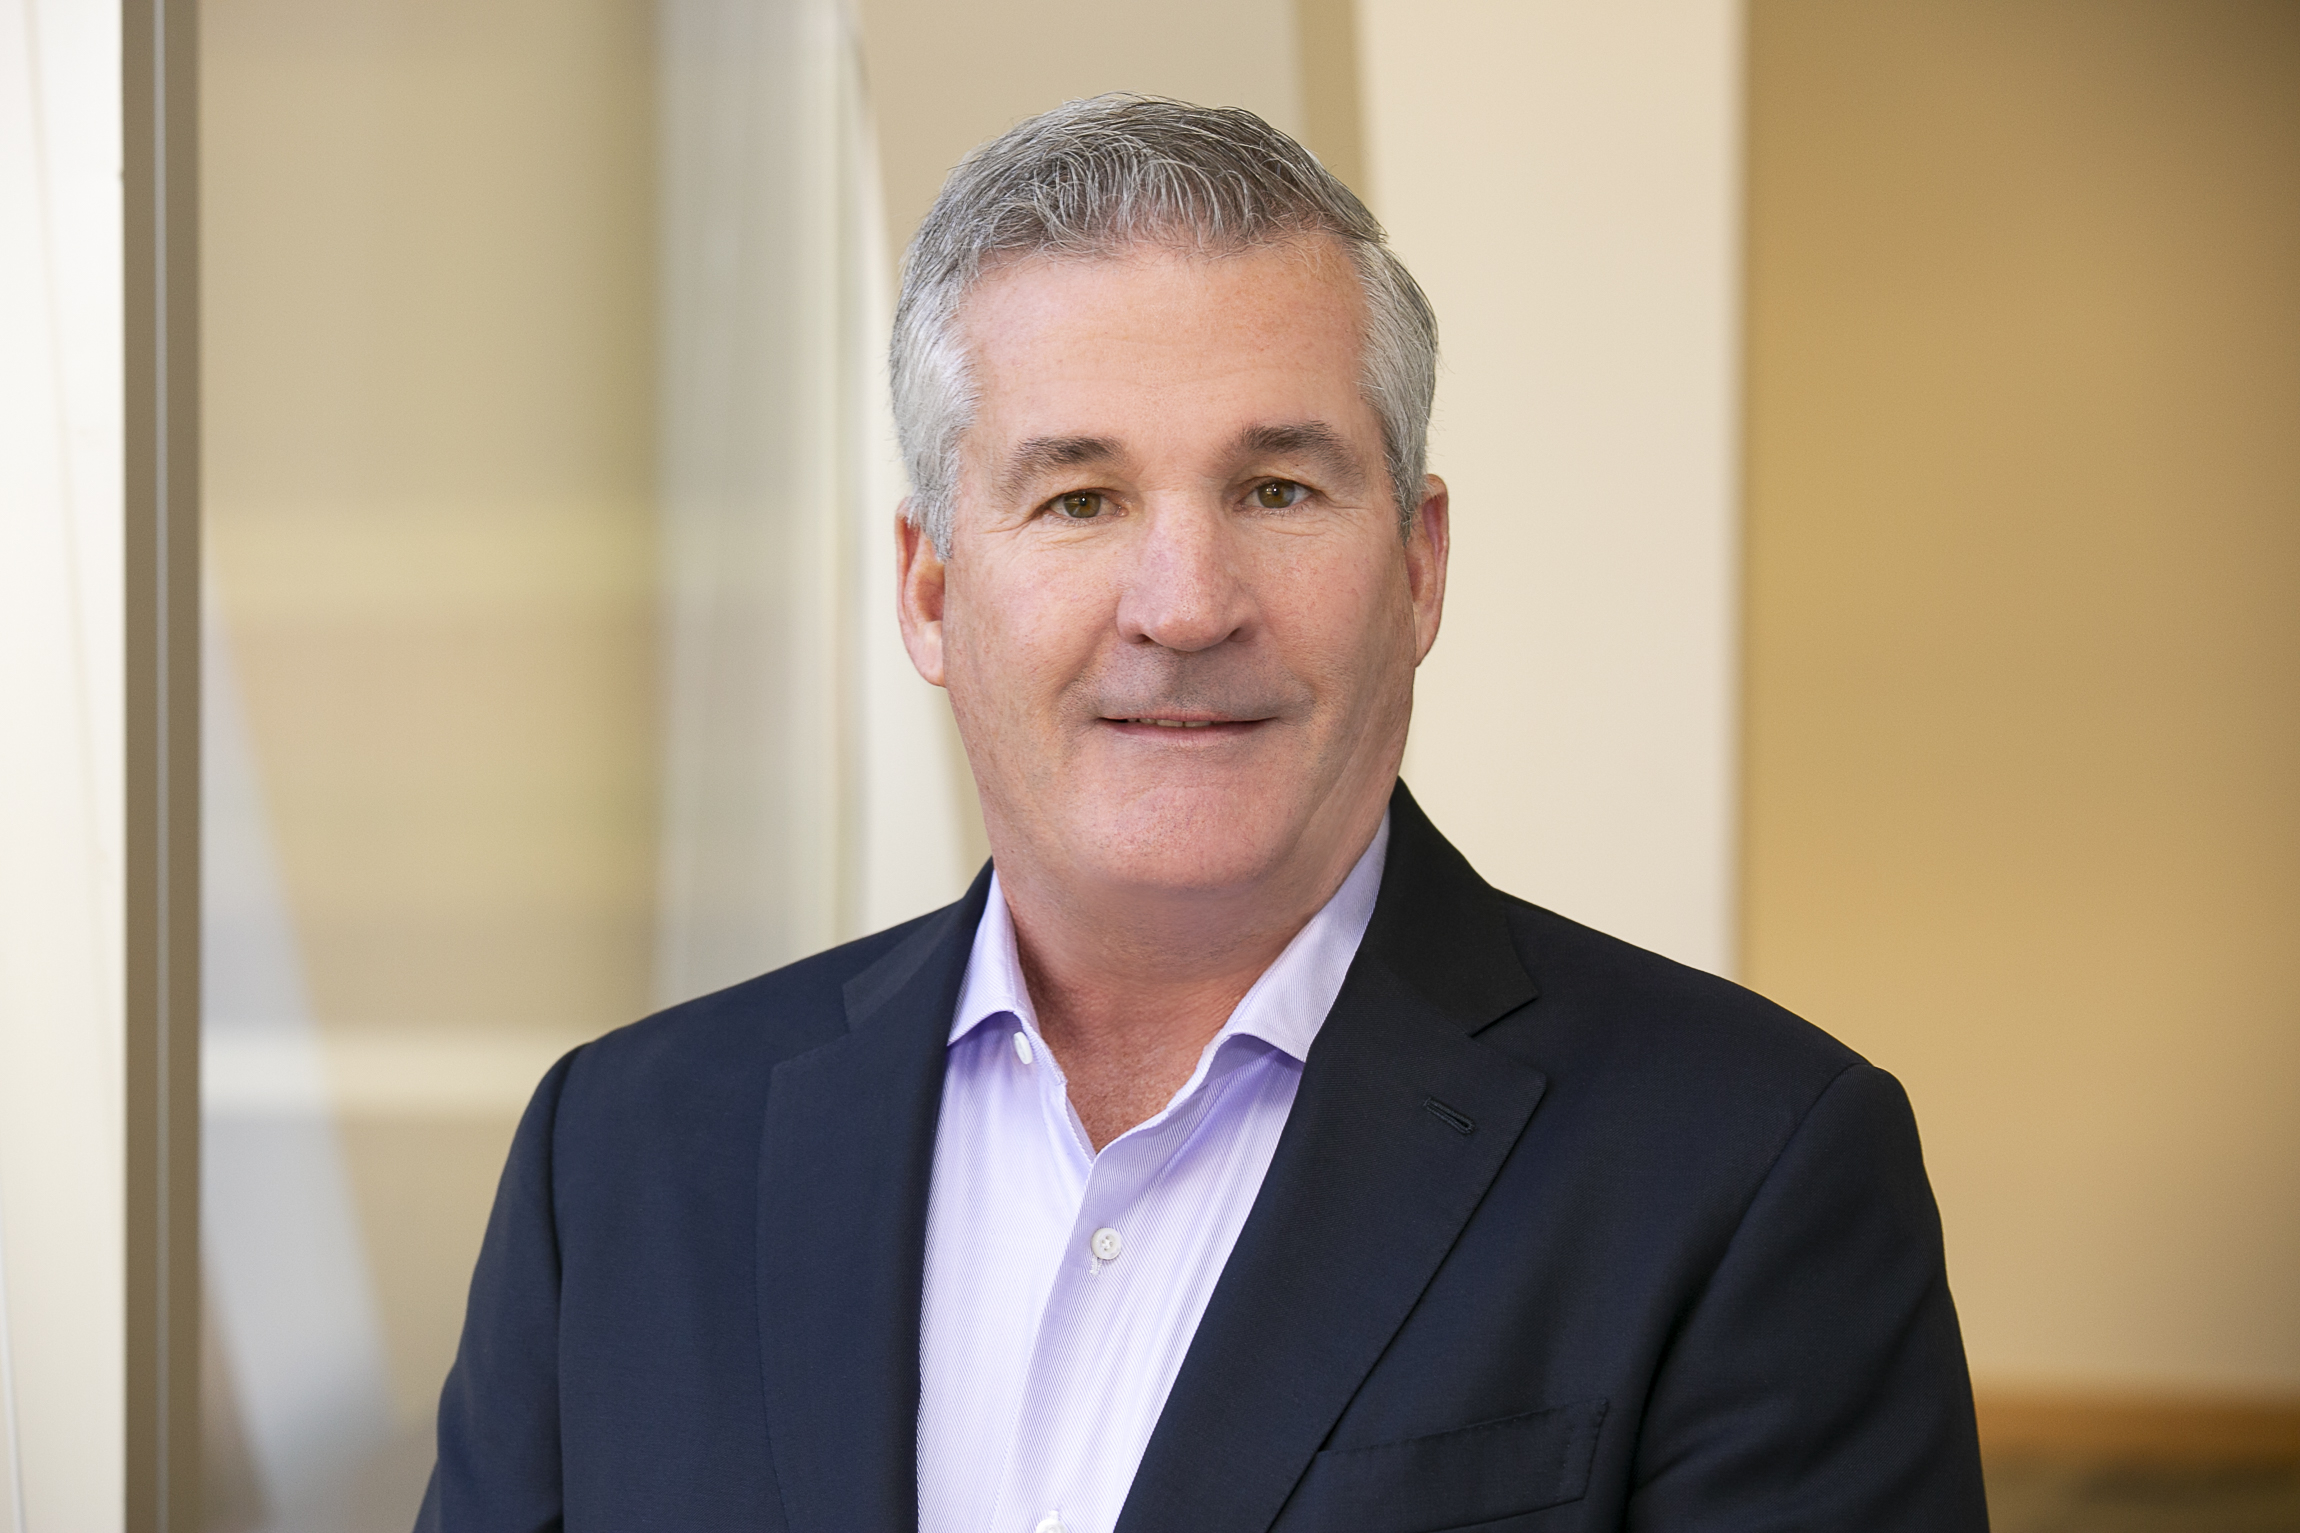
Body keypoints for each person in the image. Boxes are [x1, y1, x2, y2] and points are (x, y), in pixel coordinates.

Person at [419, 96, 1988, 1533]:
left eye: (1277, 490)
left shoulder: (1750, 1170)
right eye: (1080, 497)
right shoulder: (617, 1158)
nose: (1184, 604)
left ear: (1420, 565)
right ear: (930, 589)